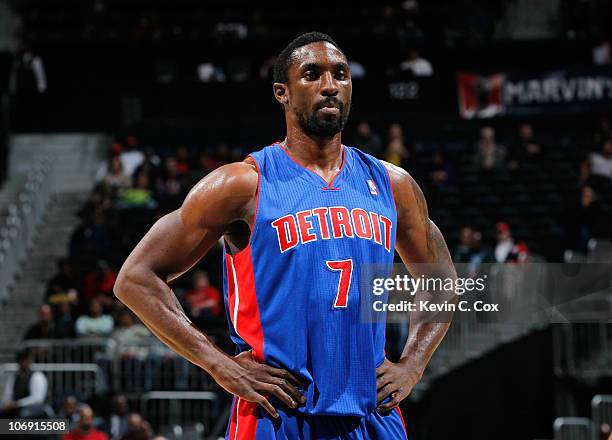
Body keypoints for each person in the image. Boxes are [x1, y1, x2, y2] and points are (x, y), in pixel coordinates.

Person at [114, 32, 456, 439]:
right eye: (312, 74)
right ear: (282, 92)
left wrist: (413, 363)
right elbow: (135, 278)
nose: (330, 85)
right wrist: (218, 363)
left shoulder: (392, 184)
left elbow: (443, 282)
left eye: (341, 74)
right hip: (277, 414)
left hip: (372, 413)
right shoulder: (242, 184)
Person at [0, 350, 50, 418]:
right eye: (21, 361)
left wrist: (17, 404)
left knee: (24, 414)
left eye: (25, 361)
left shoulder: (37, 376)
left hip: (37, 410)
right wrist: (8, 404)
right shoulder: (14, 378)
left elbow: (37, 399)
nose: (23, 363)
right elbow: (8, 394)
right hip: (17, 409)